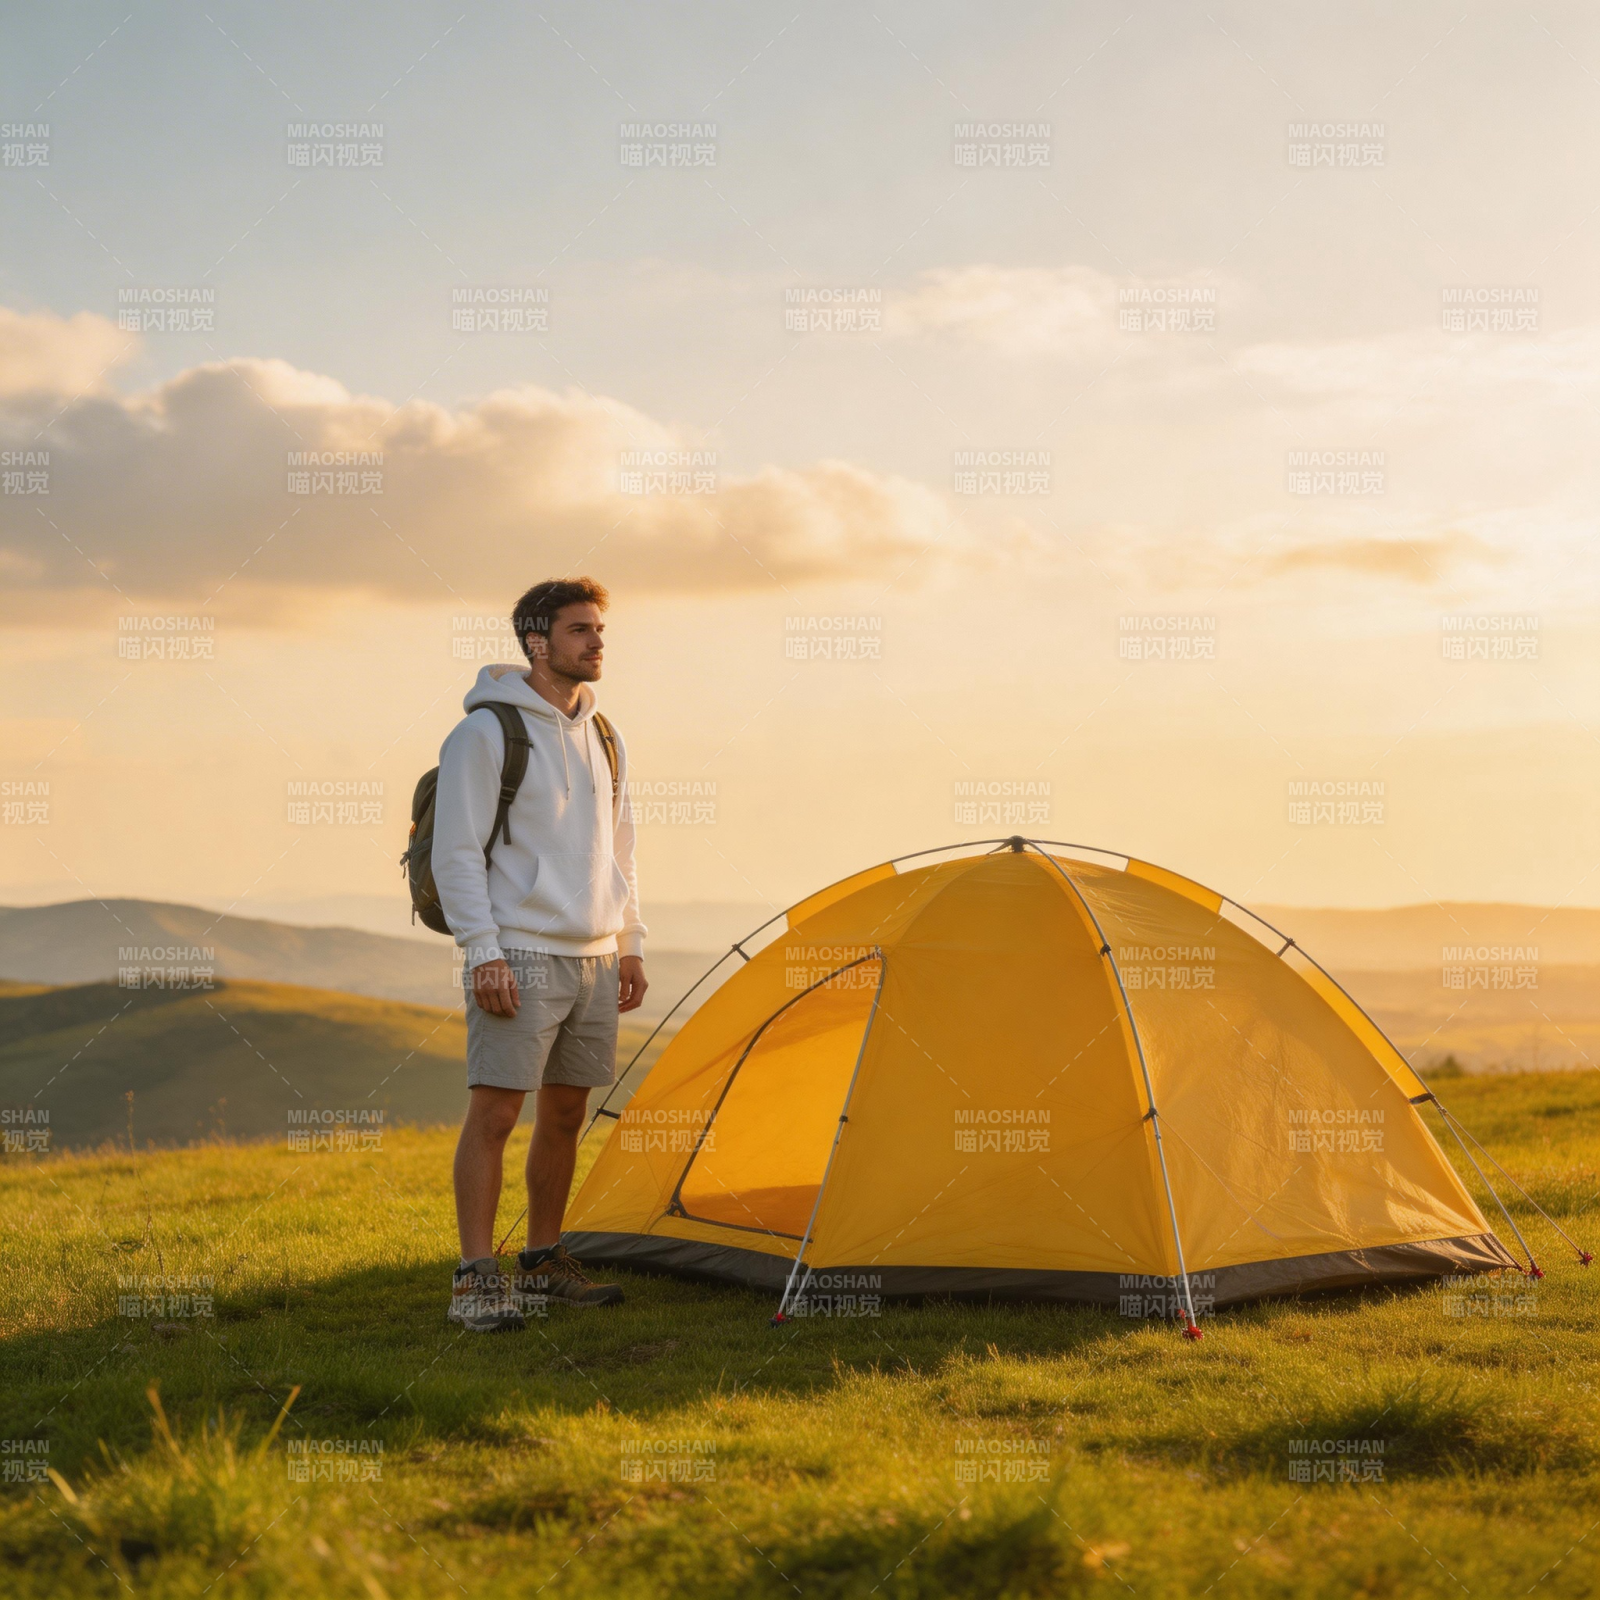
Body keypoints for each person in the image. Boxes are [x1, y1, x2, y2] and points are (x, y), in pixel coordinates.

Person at [432, 576, 646, 1331]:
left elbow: (620, 851)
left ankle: (545, 1261)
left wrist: (629, 943)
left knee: (565, 1115)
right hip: (517, 952)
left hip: (593, 955)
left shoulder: (604, 734)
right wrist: (482, 952)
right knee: (495, 1114)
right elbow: (454, 853)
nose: (595, 643)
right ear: (537, 641)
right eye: (579, 630)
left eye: (599, 630)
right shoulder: (484, 733)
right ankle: (474, 1281)